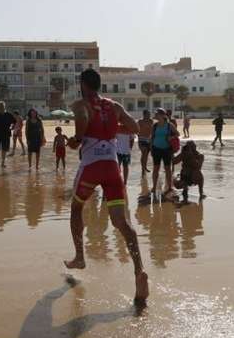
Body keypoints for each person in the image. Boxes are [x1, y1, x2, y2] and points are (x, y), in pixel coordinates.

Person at [63, 69, 148, 306]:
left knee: (76, 208)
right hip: (112, 169)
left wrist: (75, 141)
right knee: (122, 222)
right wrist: (112, 130)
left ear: (83, 84)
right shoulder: (115, 106)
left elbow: (82, 125)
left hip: (91, 167)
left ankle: (80, 257)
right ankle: (139, 269)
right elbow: (135, 127)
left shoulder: (80, 104)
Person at [150, 108, 178, 199]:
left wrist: (171, 137)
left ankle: (169, 187)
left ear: (162, 115)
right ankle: (154, 187)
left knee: (167, 169)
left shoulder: (169, 125)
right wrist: (151, 149)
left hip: (167, 149)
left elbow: (177, 134)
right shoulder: (155, 125)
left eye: (157, 114)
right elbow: (152, 138)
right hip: (156, 149)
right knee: (156, 169)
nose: (155, 115)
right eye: (155, 114)